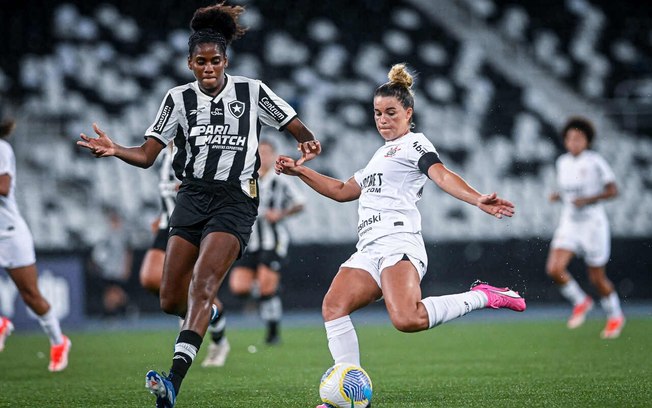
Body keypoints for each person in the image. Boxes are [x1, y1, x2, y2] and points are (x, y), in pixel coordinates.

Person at [77, 2, 321, 406]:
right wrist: (115, 149)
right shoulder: (176, 99)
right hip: (190, 198)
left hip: (235, 201)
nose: (209, 68)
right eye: (201, 62)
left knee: (204, 285)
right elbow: (148, 154)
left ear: (226, 61)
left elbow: (295, 126)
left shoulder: (252, 91)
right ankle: (208, 318)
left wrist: (307, 140)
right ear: (189, 63)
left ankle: (172, 381)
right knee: (171, 297)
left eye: (216, 61)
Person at [275, 64, 525, 407]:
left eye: (391, 112)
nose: (383, 119)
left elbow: (441, 174)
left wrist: (477, 197)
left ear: (409, 113)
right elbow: (343, 190)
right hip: (368, 248)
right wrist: (300, 170)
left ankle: (483, 295)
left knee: (407, 319)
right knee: (334, 306)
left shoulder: (415, 144)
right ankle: (349, 391)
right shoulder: (379, 155)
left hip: (398, 242)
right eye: (377, 113)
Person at [139, 142, 229, 368]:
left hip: (192, 223)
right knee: (150, 278)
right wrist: (161, 214)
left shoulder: (198, 149)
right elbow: (166, 189)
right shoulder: (162, 155)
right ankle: (204, 315)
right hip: (166, 223)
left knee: (196, 285)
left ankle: (217, 336)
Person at [0, 116, 71, 371]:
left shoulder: (2, 148)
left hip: (8, 234)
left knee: (31, 296)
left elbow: (4, 187)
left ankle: (58, 341)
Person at [545, 117, 624, 339]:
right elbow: (568, 191)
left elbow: (613, 190)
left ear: (587, 141)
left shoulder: (595, 161)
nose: (574, 143)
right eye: (570, 138)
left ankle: (615, 315)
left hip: (593, 224)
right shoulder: (562, 162)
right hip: (570, 222)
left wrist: (589, 199)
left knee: (597, 279)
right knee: (554, 269)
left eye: (579, 138)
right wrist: (558, 196)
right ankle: (581, 301)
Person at [228, 139, 305, 345]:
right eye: (259, 152)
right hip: (250, 240)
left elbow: (300, 203)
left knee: (265, 286)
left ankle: (273, 332)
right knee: (239, 287)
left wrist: (280, 214)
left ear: (273, 155)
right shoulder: (246, 178)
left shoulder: (281, 179)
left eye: (267, 152)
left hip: (274, 240)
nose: (263, 156)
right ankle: (269, 292)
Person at [89, 206, 132, 317]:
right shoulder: (105, 234)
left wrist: (126, 267)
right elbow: (99, 251)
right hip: (107, 268)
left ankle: (124, 310)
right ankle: (113, 313)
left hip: (118, 268)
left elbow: (127, 252)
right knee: (110, 292)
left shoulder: (123, 234)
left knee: (115, 292)